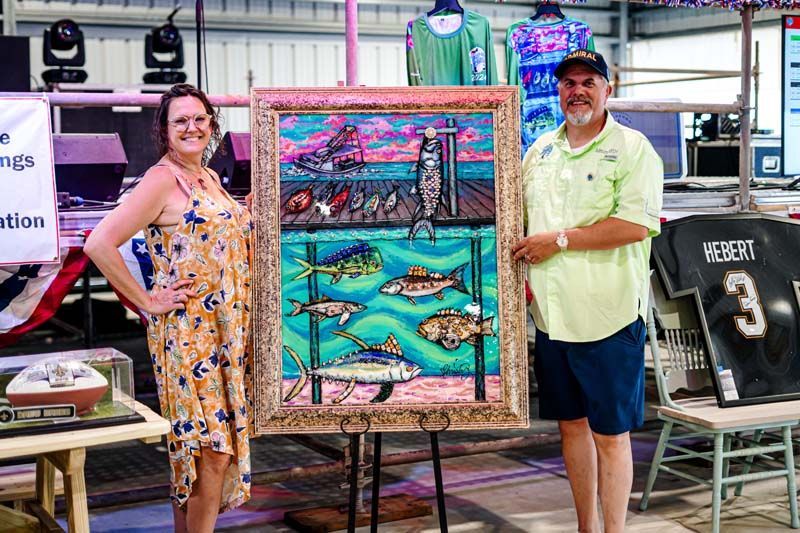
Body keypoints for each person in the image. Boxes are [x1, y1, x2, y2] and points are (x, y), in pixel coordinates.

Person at [84, 83, 253, 533]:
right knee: (209, 450)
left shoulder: (208, 178)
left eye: (199, 119)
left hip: (224, 333)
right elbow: (99, 243)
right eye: (180, 120)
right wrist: (147, 301)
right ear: (164, 130)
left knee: (204, 455)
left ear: (212, 125)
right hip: (188, 336)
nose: (191, 127)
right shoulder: (162, 179)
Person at [512, 49, 663, 533]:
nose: (577, 90)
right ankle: (585, 526)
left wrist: (558, 242)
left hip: (609, 318)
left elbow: (636, 226)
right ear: (558, 91)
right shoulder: (539, 152)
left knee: (611, 436)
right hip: (552, 322)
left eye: (588, 82)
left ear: (607, 90)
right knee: (571, 427)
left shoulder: (634, 148)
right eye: (568, 83)